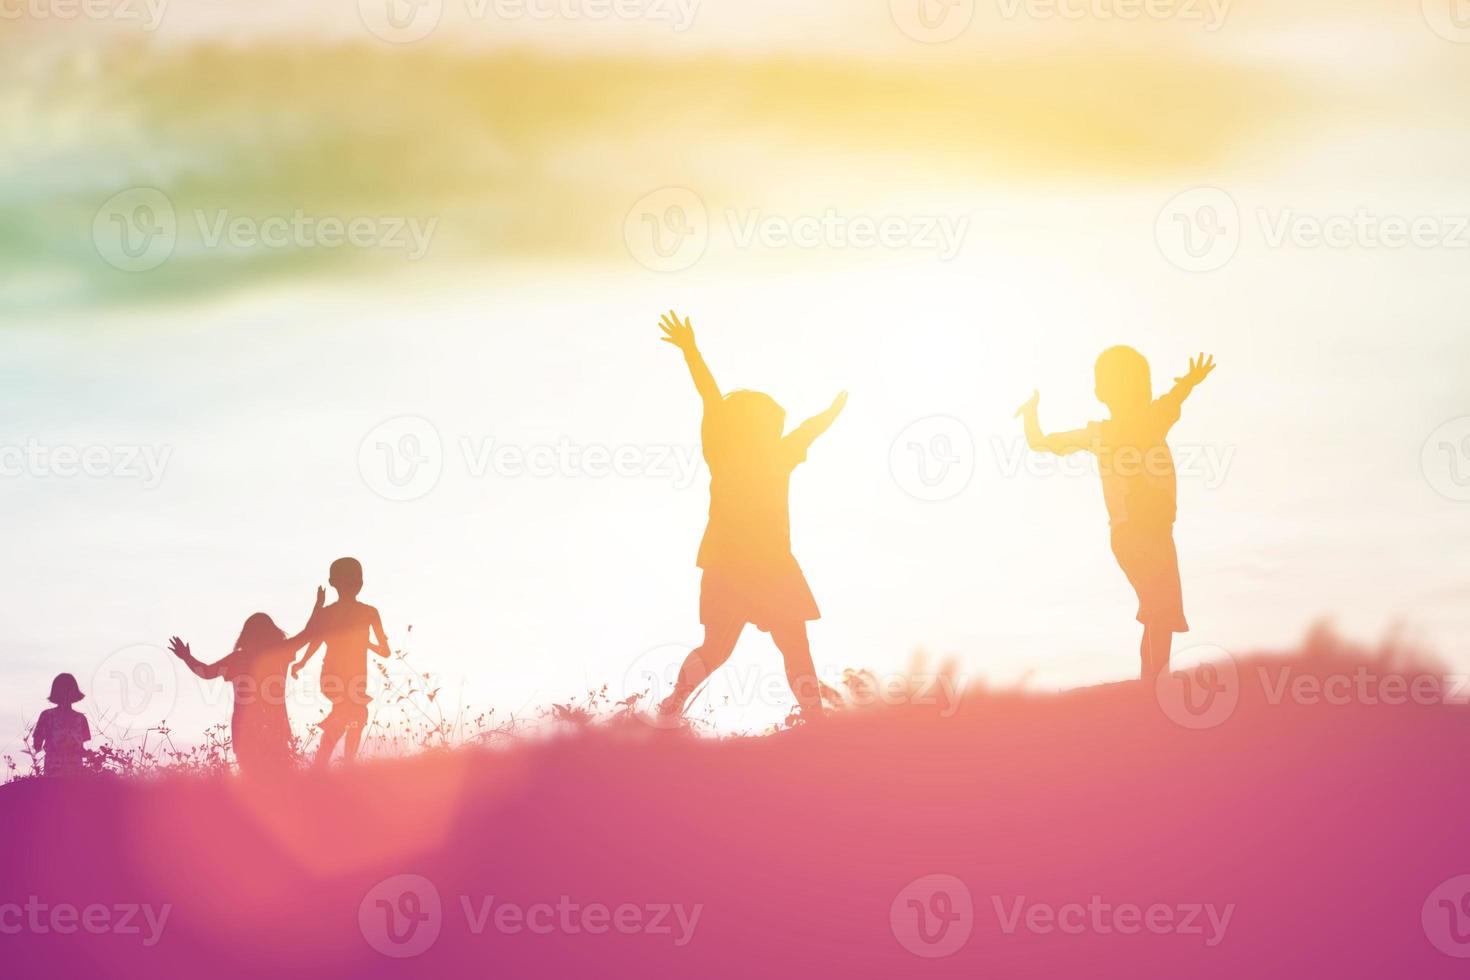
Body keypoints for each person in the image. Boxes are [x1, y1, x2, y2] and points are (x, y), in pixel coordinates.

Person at [655, 310, 847, 724]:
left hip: (740, 565)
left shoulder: (745, 456)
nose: (781, 428)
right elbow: (712, 397)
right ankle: (812, 716)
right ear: (757, 426)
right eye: (774, 423)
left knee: (722, 648)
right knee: (784, 646)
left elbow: (807, 428)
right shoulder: (754, 455)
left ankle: (674, 705)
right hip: (761, 567)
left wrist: (831, 413)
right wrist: (692, 353)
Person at [1016, 349, 1216, 681]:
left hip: (1145, 533)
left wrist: (1190, 381)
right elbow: (1042, 443)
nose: (1142, 390)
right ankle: (1154, 682)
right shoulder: (1130, 425)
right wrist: (1031, 414)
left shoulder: (1138, 423)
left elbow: (1041, 443)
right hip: (1139, 533)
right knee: (1159, 609)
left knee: (1157, 612)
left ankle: (1151, 679)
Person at [168, 588, 324, 777]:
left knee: (252, 780)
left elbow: (206, 672)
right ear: (273, 632)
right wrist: (318, 606)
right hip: (276, 727)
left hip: (244, 731)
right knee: (281, 782)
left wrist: (187, 657)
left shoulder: (237, 659)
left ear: (246, 634)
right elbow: (308, 634)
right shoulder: (280, 652)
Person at [291, 558, 391, 769]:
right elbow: (385, 651)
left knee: (353, 716)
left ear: (332, 582)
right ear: (361, 583)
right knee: (352, 715)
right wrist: (302, 661)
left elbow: (384, 651)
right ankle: (335, 765)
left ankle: (340, 765)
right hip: (335, 677)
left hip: (354, 679)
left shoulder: (356, 613)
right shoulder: (366, 612)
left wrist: (303, 661)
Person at [32, 673, 91, 776]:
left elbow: (37, 745)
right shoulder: (47, 716)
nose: (66, 694)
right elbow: (37, 744)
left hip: (73, 774)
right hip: (55, 773)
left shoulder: (80, 719)